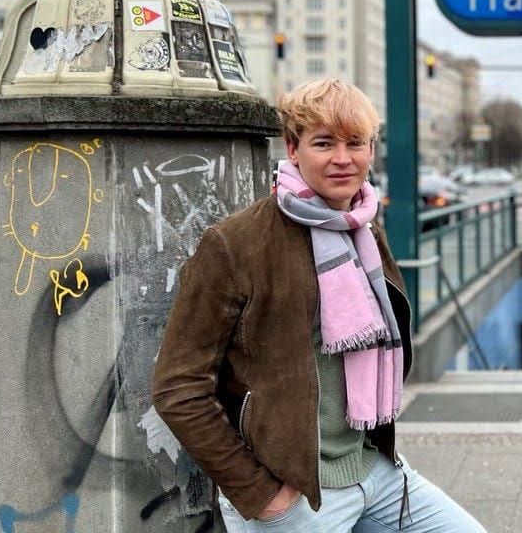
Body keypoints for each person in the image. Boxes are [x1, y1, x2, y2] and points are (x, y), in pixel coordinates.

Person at [152, 79, 485, 532]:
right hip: (294, 492)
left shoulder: (365, 232)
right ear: (292, 147)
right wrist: (260, 493)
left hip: (372, 468)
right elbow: (178, 388)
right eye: (324, 143)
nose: (343, 159)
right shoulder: (236, 245)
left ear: (372, 149)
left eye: (355, 143)